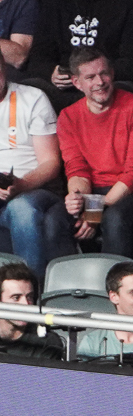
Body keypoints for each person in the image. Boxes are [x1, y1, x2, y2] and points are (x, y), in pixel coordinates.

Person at [49, 47, 133, 265]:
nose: (100, 82)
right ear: (77, 82)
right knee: (55, 218)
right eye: (90, 77)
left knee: (115, 219)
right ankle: (67, 286)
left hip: (128, 191)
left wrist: (94, 211)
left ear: (112, 73)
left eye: (104, 73)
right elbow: (76, 168)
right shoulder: (68, 116)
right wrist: (77, 199)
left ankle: (116, 288)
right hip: (93, 191)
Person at [0, 56, 63, 276]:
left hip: (34, 188)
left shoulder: (32, 97)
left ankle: (30, 292)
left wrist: (21, 185)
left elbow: (51, 162)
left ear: (5, 69)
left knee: (22, 209)